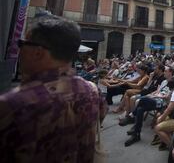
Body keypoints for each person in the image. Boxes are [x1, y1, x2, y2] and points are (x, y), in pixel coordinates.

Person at [0, 15, 105, 162]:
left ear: (38, 52)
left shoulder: (11, 106)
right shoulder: (93, 90)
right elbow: (101, 116)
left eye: (22, 43)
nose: (20, 50)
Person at [123, 66, 174, 146]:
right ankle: (136, 134)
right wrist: (151, 95)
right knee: (140, 108)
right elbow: (157, 91)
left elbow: (169, 97)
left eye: (166, 71)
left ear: (170, 72)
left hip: (162, 103)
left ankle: (131, 116)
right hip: (155, 99)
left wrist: (157, 96)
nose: (164, 72)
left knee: (141, 100)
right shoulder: (164, 81)